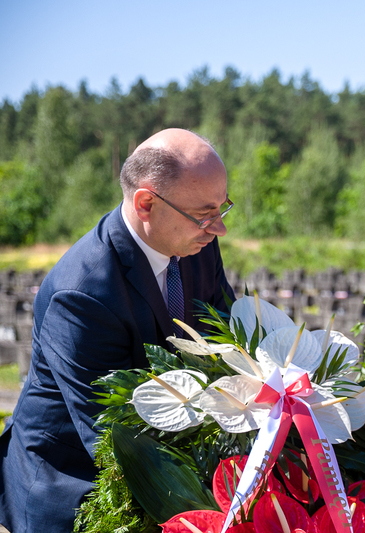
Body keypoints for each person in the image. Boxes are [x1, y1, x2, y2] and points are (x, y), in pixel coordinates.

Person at [0, 129, 236, 532]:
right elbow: (115, 439)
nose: (219, 228)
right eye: (204, 214)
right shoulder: (82, 293)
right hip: (75, 487)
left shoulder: (198, 243)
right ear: (146, 203)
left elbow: (226, 345)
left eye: (223, 208)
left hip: (169, 449)